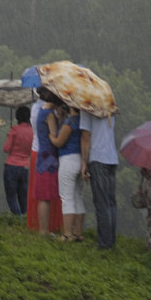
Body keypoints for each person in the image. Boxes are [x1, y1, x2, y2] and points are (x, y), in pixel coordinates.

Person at [80, 110, 119, 250]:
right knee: (110, 203)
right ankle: (111, 240)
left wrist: (84, 162)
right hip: (111, 158)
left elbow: (86, 136)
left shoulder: (88, 109)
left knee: (101, 203)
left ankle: (104, 243)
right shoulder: (110, 109)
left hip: (97, 157)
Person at [26, 90, 63, 234]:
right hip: (49, 157)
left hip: (41, 153)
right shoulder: (49, 114)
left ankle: (42, 228)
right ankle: (45, 229)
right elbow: (54, 136)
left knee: (42, 193)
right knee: (46, 194)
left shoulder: (38, 110)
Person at [49, 103, 83, 241]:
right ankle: (78, 232)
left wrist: (51, 136)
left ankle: (67, 234)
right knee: (78, 197)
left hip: (68, 159)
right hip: (80, 159)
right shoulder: (83, 121)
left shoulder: (70, 122)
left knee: (66, 197)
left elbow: (59, 142)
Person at [1, 105, 33, 215]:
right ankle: (25, 219)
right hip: (25, 167)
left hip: (11, 166)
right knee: (23, 197)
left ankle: (18, 218)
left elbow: (6, 149)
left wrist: (9, 136)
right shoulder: (31, 131)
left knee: (11, 196)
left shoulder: (14, 130)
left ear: (17, 117)